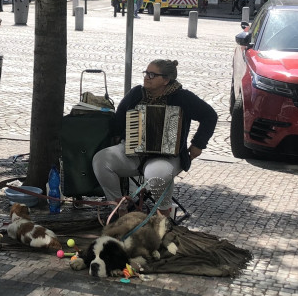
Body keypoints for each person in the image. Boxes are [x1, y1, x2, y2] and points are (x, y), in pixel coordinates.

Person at [92, 59, 217, 216]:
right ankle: (120, 210)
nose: (146, 77)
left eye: (152, 75)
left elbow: (209, 116)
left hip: (167, 157)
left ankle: (163, 215)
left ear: (165, 80)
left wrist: (198, 144)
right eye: (146, 73)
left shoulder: (182, 98)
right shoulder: (136, 93)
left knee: (158, 174)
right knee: (101, 160)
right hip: (134, 153)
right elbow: (119, 118)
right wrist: (122, 137)